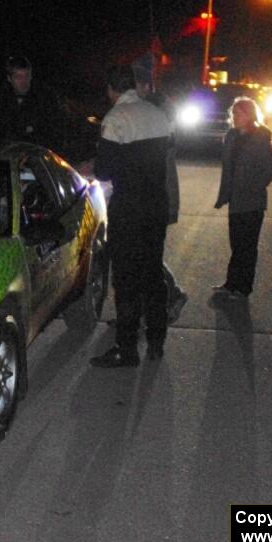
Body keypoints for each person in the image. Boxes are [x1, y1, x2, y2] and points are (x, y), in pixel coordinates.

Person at [90, 65, 172, 367]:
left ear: (112, 90)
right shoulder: (158, 114)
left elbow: (104, 170)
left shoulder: (116, 118)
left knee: (126, 278)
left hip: (129, 208)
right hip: (156, 204)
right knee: (152, 273)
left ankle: (126, 348)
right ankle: (156, 340)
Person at [135, 69, 189, 324]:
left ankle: (173, 295)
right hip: (149, 195)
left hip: (157, 196)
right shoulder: (151, 109)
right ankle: (145, 308)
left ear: (146, 86)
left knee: (147, 256)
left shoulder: (159, 112)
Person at [212, 97, 272, 299]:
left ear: (249, 115)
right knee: (236, 244)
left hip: (252, 202)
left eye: (238, 113)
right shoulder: (231, 136)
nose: (234, 117)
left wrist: (251, 187)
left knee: (247, 247)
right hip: (236, 200)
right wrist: (226, 193)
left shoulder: (261, 137)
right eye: (233, 113)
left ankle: (243, 287)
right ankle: (231, 283)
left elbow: (269, 171)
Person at [0, 55, 62, 148]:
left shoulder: (45, 97)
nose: (23, 81)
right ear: (9, 79)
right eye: (18, 77)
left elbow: (53, 131)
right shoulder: (0, 98)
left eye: (26, 76)